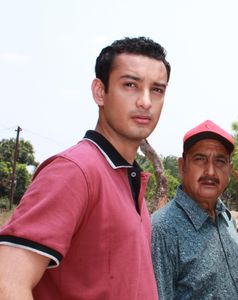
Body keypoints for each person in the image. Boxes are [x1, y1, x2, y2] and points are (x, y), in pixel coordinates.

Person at [0, 37, 171, 299]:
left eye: (157, 90)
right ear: (99, 92)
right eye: (130, 85)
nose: (146, 101)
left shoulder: (127, 178)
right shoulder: (74, 171)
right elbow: (7, 282)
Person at [151, 120, 238, 300]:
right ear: (182, 167)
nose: (210, 171)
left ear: (230, 170)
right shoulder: (162, 230)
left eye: (220, 161)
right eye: (200, 159)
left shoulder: (227, 219)